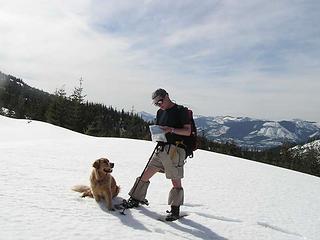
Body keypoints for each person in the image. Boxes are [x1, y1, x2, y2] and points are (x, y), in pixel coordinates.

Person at [125, 88, 191, 221]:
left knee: (175, 180)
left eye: (160, 101)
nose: (159, 105)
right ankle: (135, 198)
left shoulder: (181, 111)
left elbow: (187, 132)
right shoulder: (160, 112)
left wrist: (171, 129)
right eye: (156, 103)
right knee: (146, 173)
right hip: (161, 148)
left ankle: (175, 210)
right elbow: (161, 129)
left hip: (175, 150)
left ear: (167, 96)